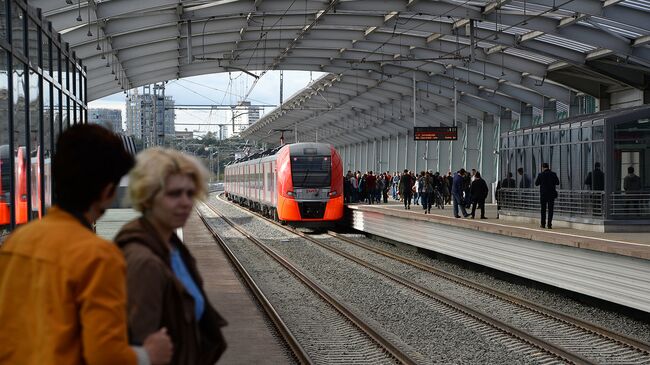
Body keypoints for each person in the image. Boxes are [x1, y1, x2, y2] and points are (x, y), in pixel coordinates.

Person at [0, 124, 173, 365]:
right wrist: (149, 355)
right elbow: (105, 355)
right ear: (107, 191)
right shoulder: (99, 257)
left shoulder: (16, 242)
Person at [115, 148, 227, 365]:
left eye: (190, 193)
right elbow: (139, 343)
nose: (186, 202)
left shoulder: (173, 249)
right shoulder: (144, 262)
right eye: (174, 194)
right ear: (147, 197)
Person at [535, 162, 559, 229]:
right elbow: (557, 182)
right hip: (551, 194)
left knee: (543, 209)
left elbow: (536, 183)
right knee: (550, 209)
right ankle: (549, 225)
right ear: (548, 167)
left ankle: (543, 224)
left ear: (542, 167)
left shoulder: (541, 175)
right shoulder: (553, 174)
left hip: (543, 195)